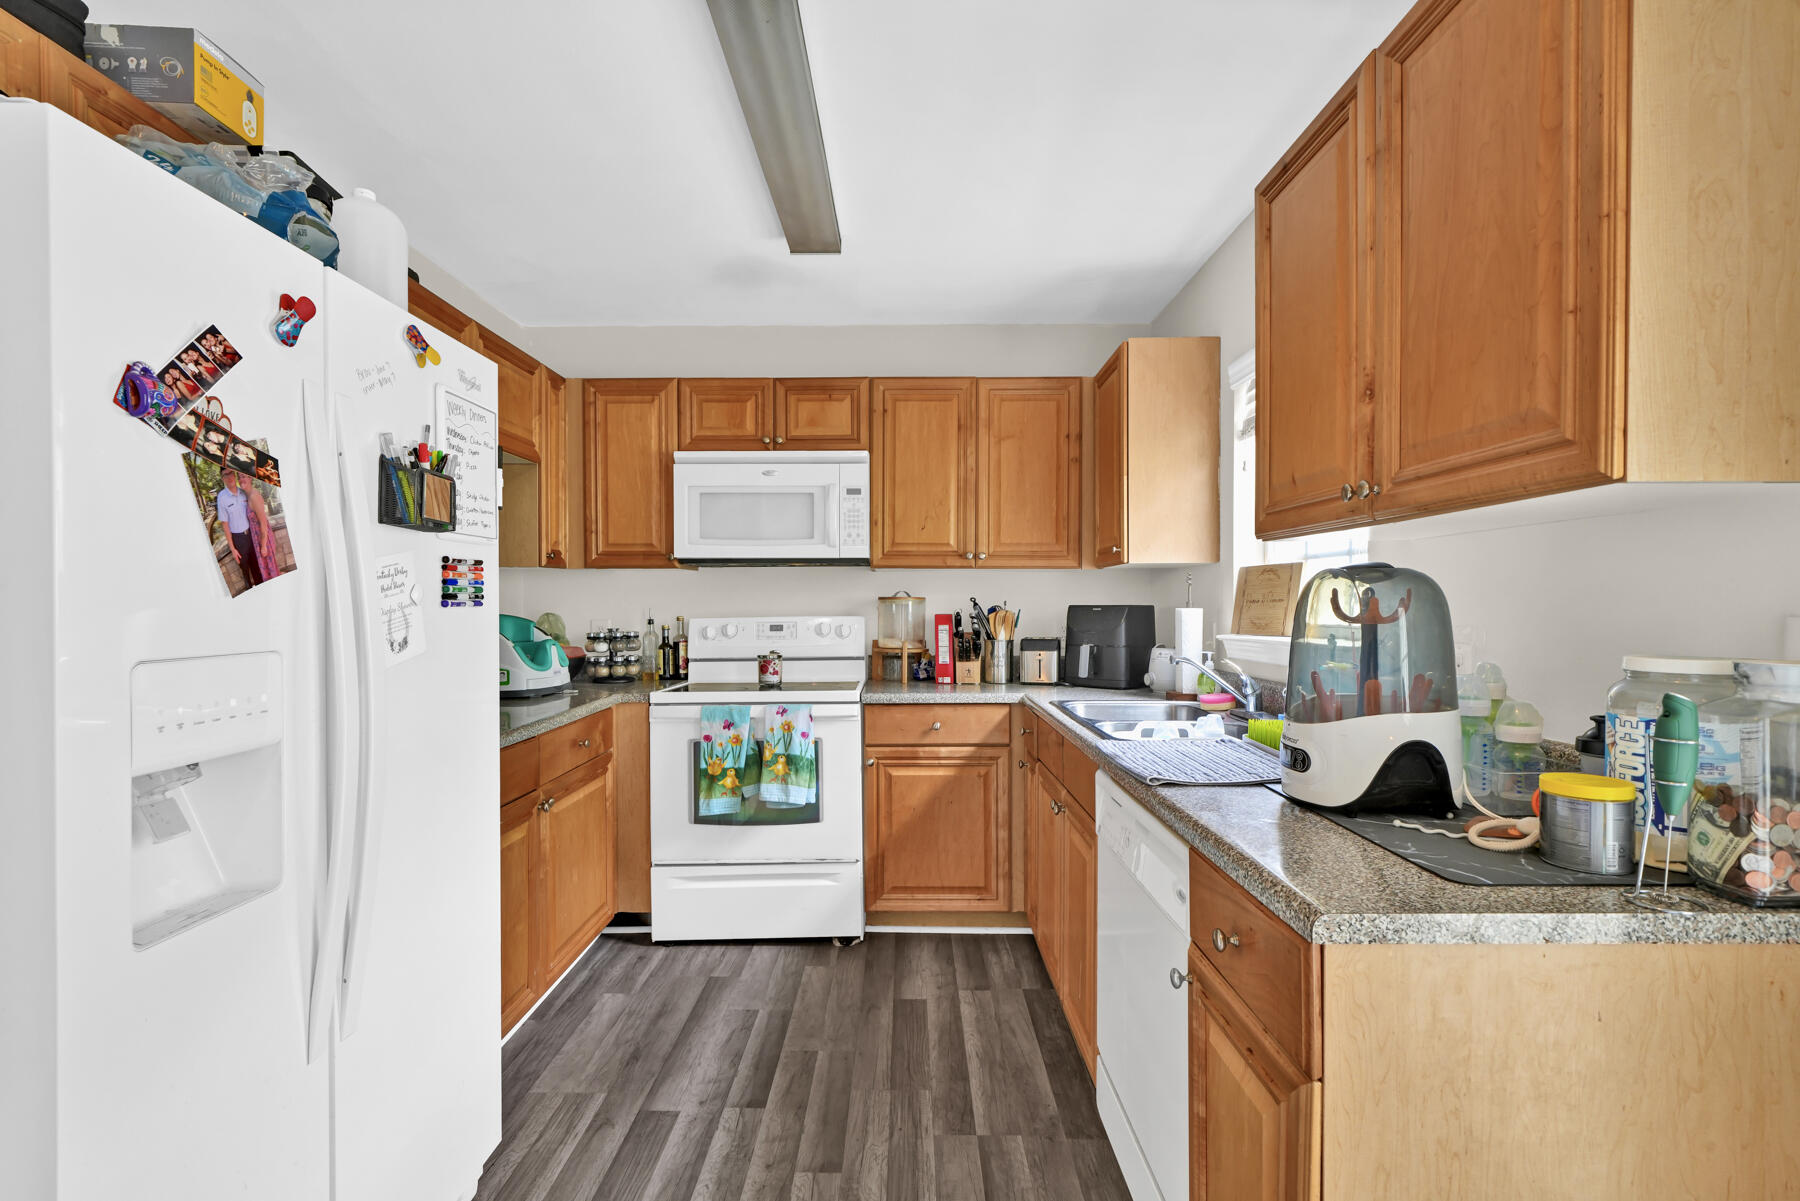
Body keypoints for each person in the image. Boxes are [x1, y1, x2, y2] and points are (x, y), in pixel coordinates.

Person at [214, 470, 264, 589]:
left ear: (235, 474)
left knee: (257, 568)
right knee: (245, 571)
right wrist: (232, 548)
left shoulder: (243, 492)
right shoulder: (222, 498)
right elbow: (225, 525)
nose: (230, 476)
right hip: (238, 539)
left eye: (231, 473)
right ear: (222, 478)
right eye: (226, 475)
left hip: (251, 535)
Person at [246, 479, 281, 584]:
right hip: (258, 538)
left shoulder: (254, 496)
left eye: (243, 476)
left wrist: (264, 545)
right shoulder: (249, 495)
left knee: (270, 570)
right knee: (267, 569)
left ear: (249, 478)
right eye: (239, 476)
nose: (241, 479)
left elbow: (263, 522)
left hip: (262, 538)